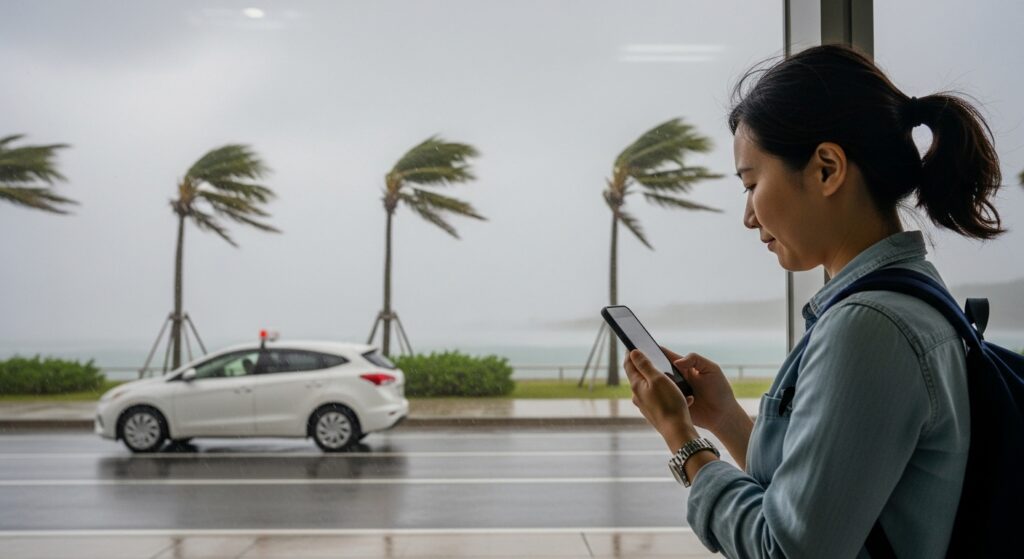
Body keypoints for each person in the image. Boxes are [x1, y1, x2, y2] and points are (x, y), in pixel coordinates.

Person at [624, 44, 1006, 558]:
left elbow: (786, 548)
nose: (748, 216)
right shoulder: (909, 296)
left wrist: (682, 438)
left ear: (827, 169)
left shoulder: (869, 327)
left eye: (751, 183)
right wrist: (726, 419)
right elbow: (830, 497)